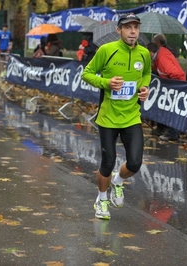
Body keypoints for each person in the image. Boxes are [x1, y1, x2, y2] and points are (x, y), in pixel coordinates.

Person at [81, 13, 151, 220]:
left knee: (135, 163)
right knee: (107, 163)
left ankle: (118, 181)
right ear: (119, 30)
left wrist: (145, 87)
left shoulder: (144, 53)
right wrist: (106, 83)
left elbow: (147, 73)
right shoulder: (106, 51)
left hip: (132, 117)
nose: (132, 31)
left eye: (135, 28)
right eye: (128, 27)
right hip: (109, 118)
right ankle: (102, 199)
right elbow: (87, 73)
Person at [146, 42, 185, 141]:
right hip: (169, 86)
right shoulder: (159, 57)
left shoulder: (162, 58)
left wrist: (168, 85)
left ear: (151, 52)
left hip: (175, 86)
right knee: (161, 107)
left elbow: (174, 73)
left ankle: (173, 133)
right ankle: (161, 128)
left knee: (171, 108)